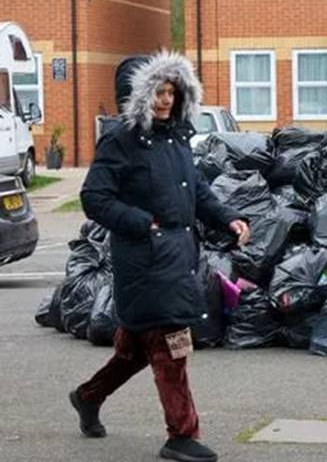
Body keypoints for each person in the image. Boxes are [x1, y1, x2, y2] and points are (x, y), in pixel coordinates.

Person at [70, 51, 249, 462]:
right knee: (171, 345)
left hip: (177, 257)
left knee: (135, 349)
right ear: (137, 96)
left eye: (171, 91)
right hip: (143, 261)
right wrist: (140, 222)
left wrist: (228, 219)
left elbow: (197, 191)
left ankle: (87, 397)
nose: (166, 100)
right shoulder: (121, 141)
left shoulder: (176, 138)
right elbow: (94, 198)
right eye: (157, 92)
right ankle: (182, 434)